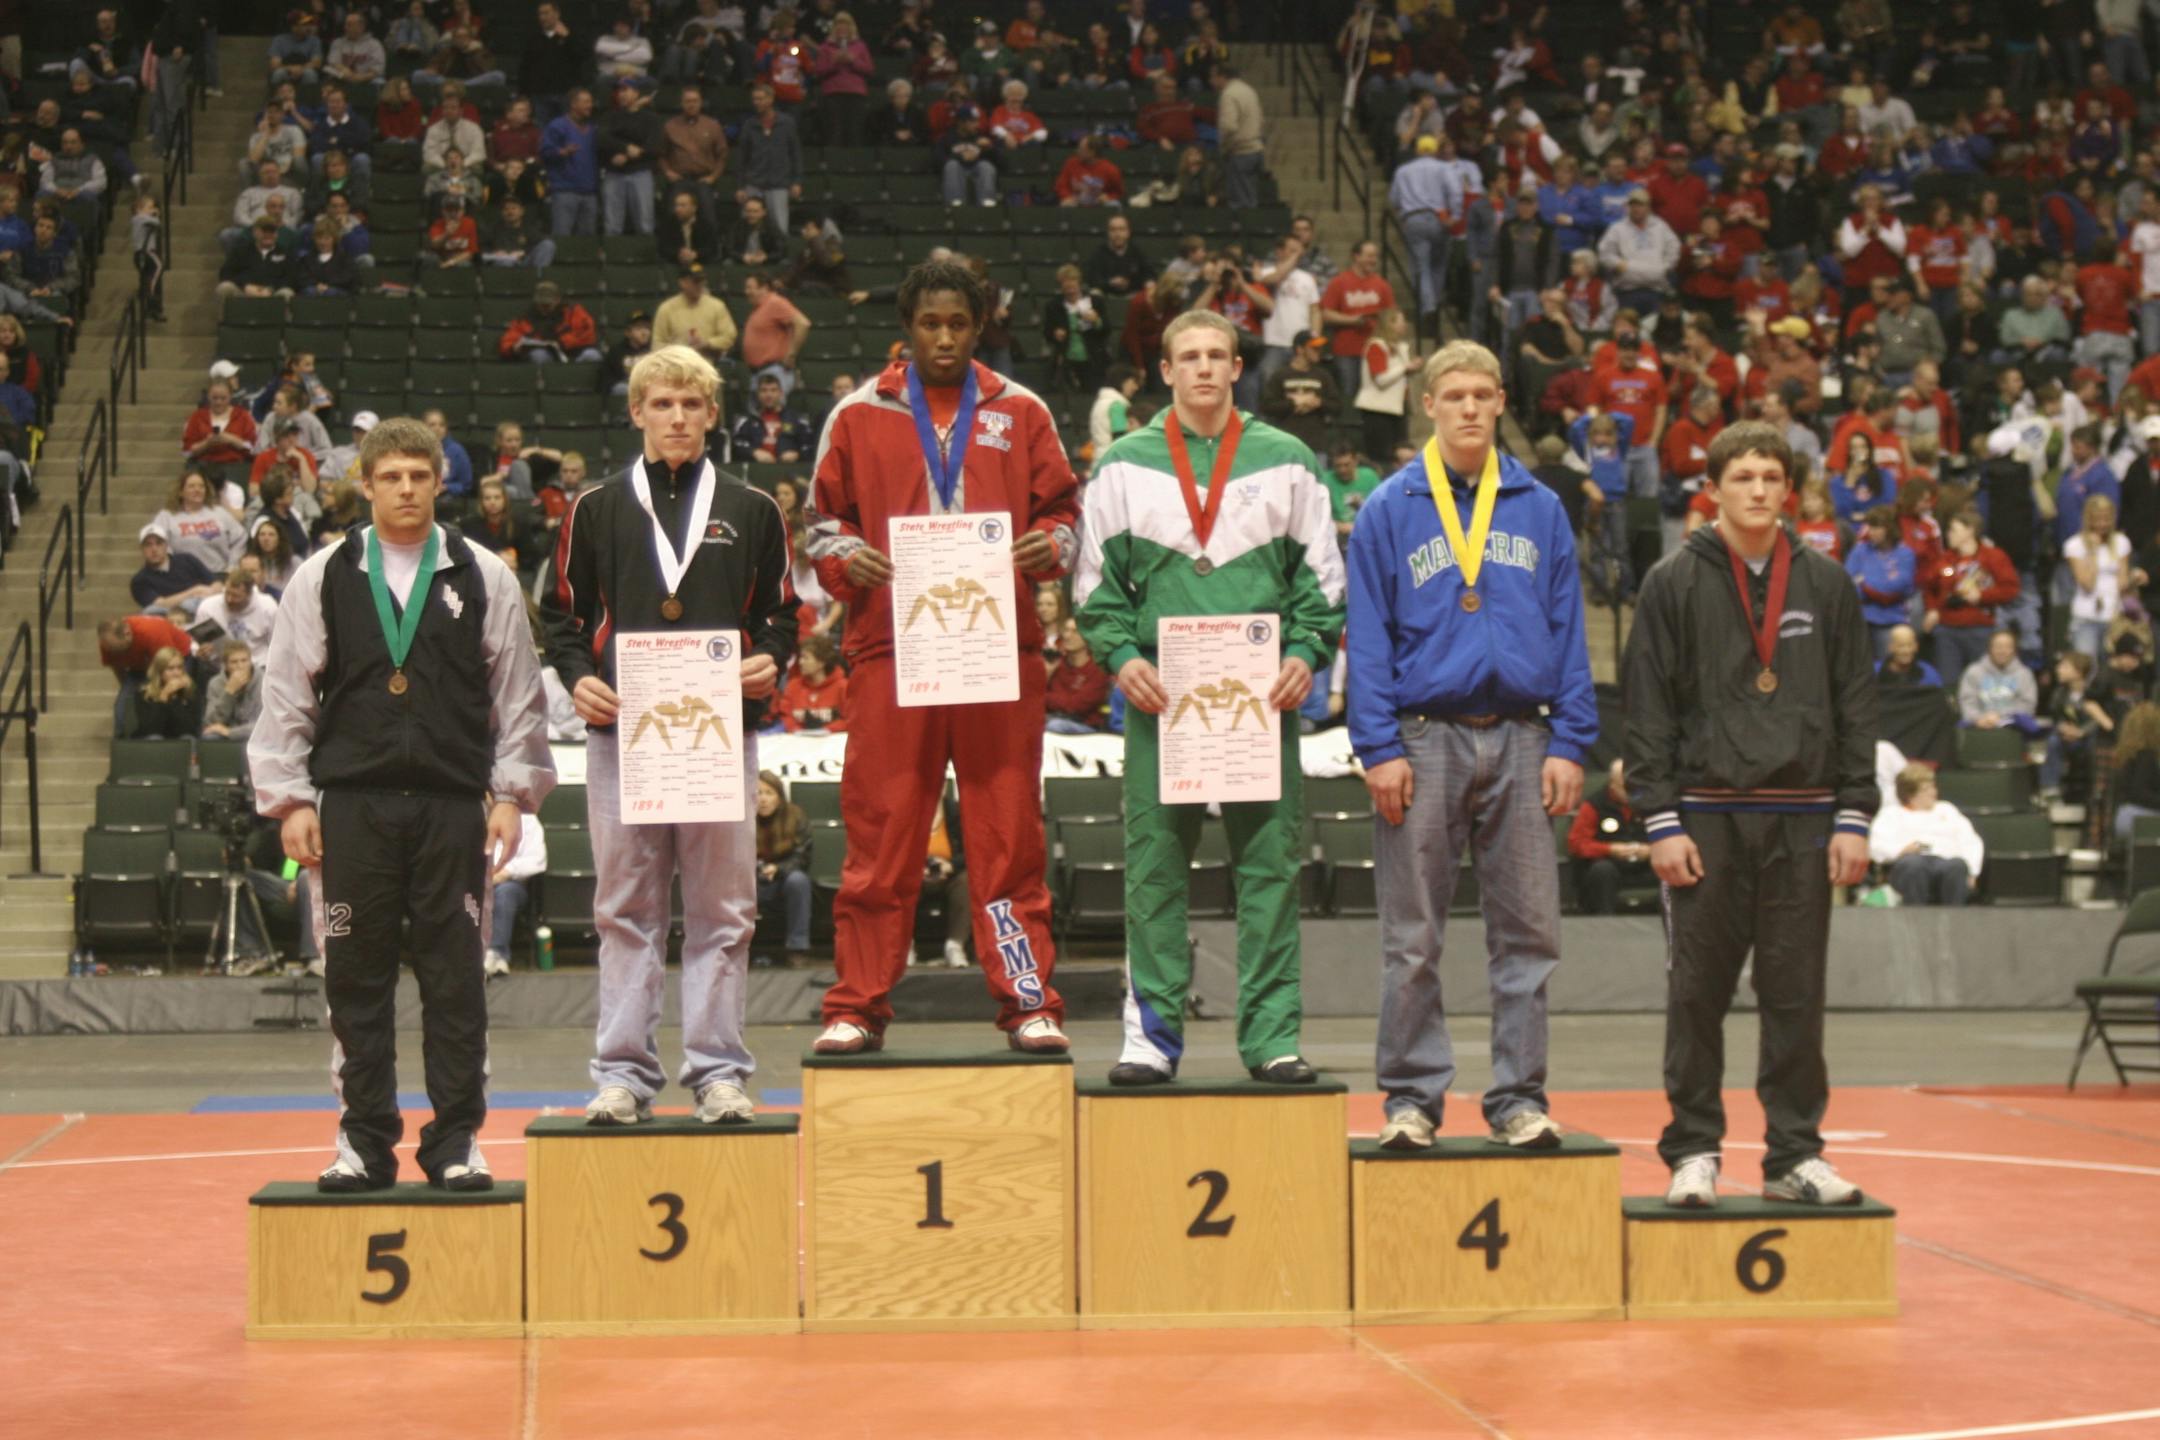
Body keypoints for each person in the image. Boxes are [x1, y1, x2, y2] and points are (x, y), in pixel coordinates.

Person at [250, 415, 554, 1192]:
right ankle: (364, 1142)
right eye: (391, 477)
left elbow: (517, 696)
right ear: (366, 483)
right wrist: (289, 800)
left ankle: (456, 1141)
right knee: (354, 977)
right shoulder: (324, 574)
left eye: (419, 475)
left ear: (439, 479)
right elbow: (286, 694)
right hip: (352, 803)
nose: (407, 488)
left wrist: (513, 793)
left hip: (454, 803)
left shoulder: (482, 572)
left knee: (455, 978)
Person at [807, 259, 1079, 1055]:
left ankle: (1028, 1000)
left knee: (1007, 834)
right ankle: (857, 1003)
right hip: (893, 645)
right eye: (931, 323)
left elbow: (1066, 511)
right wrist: (846, 556)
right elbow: (823, 522)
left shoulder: (1020, 409)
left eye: (960, 323)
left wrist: (1048, 545)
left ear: (980, 325)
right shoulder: (859, 413)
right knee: (883, 830)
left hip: (998, 649)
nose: (946, 338)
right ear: (907, 326)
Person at [1075, 310, 1347, 1084]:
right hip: (1162, 699)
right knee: (1155, 869)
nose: (1203, 368)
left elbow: (1322, 580)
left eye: (1217, 356)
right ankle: (1151, 1041)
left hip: (1261, 702)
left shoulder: (1286, 457)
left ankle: (1271, 1042)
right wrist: (1121, 657)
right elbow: (1096, 587)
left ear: (1236, 368)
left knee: (1270, 871)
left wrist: (1304, 651)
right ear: (1164, 371)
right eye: (1188, 356)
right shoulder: (1123, 464)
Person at [1344, 339, 1593, 1147]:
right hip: (1421, 739)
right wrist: (1377, 746)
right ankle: (1413, 1100)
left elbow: (1570, 629)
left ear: (1500, 404)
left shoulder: (1537, 505)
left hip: (1524, 735)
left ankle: (1519, 1098)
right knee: (1412, 937)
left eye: (1485, 395)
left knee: (1529, 935)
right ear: (1428, 404)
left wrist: (1572, 740)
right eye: (1455, 395)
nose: (1472, 408)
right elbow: (1368, 637)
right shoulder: (1390, 506)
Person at [1624, 421, 1877, 1209]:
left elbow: (1856, 704)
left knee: (1795, 992)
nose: (1759, 490)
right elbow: (1648, 710)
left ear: (1789, 491)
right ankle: (1694, 1149)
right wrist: (1659, 820)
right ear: (1714, 489)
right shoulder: (1674, 580)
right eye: (1743, 478)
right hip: (1705, 817)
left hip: (1804, 817)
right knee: (1697, 992)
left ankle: (1795, 1154)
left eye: (1771, 477)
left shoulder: (1827, 582)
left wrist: (1856, 813)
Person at [545, 347, 798, 1125]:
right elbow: (561, 614)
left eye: (691, 404)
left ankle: (719, 1069)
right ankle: (621, 1072)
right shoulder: (595, 507)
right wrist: (574, 674)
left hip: (719, 734)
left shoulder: (754, 509)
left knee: (725, 908)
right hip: (623, 731)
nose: (678, 417)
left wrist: (771, 659)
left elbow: (782, 615)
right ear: (637, 412)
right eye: (662, 404)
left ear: (713, 414)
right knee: (625, 905)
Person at [1923, 511, 2020, 691]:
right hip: (1948, 630)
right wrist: (1932, 609)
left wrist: (1982, 596)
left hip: (1981, 628)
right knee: (1949, 681)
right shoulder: (1945, 559)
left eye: (1953, 530)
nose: (1948, 534)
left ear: (1969, 531)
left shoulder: (1993, 557)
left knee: (1982, 681)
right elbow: (1929, 586)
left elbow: (2010, 589)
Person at [1868, 763, 1984, 905]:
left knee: (1957, 866)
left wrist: (1973, 872)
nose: (1933, 792)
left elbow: (1971, 841)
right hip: (1911, 861)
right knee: (1914, 866)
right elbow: (1876, 847)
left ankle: (1953, 921)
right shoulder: (1891, 814)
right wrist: (1902, 850)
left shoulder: (1947, 809)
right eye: (1925, 789)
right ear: (1910, 794)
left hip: (1946, 861)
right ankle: (1915, 921)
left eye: (1933, 787)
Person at [1568, 759, 1654, 915]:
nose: (1631, 792)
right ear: (1612, 785)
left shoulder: (1651, 801)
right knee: (1602, 870)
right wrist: (1610, 849)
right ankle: (1605, 920)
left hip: (1645, 864)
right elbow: (1577, 843)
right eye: (1625, 787)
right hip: (1611, 866)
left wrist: (1651, 851)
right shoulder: (1594, 805)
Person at [754, 771, 814, 967]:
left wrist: (778, 869)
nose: (763, 799)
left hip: (783, 879)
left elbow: (802, 855)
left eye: (769, 793)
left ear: (779, 796)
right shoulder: (741, 819)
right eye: (758, 793)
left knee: (799, 881)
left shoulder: (795, 815)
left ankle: (798, 948)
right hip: (750, 879)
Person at [484, 812, 547, 977]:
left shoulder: (528, 819)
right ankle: (471, 957)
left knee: (505, 893)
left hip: (512, 883)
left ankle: (496, 953)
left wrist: (505, 873)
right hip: (477, 881)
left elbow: (537, 860)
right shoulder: (474, 814)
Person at [652, 264, 739, 362]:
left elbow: (729, 336)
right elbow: (657, 344)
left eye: (702, 281)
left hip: (709, 364)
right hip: (677, 365)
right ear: (682, 282)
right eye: (695, 282)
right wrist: (680, 351)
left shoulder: (717, 306)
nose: (700, 285)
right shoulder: (666, 309)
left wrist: (707, 343)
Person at [194, 571, 281, 667]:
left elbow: (278, 645)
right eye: (227, 593)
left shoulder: (268, 607)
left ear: (249, 594)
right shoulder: (208, 607)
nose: (229, 599)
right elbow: (195, 644)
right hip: (220, 665)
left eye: (236, 596)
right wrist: (199, 650)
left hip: (258, 664)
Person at [131, 521, 219, 615]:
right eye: (148, 545)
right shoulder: (140, 580)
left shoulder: (187, 559)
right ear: (142, 549)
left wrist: (209, 592)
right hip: (169, 616)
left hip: (201, 608)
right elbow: (161, 604)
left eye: (159, 543)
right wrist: (194, 591)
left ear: (166, 545)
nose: (154, 549)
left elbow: (217, 584)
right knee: (152, 610)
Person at [1959, 628, 2039, 730]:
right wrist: (1980, 719)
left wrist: (2000, 716)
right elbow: (1967, 702)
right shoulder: (1974, 672)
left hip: (2013, 726)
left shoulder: (2024, 674)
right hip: (1978, 724)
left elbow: (2028, 705)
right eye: (1998, 647)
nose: (2002, 651)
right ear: (1990, 649)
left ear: (2014, 651)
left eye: (2007, 647)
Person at [730, 372, 813, 462]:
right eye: (764, 390)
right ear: (758, 394)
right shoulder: (746, 420)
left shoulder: (796, 419)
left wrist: (797, 454)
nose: (768, 395)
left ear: (780, 393)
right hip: (756, 469)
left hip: (789, 470)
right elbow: (736, 444)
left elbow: (809, 446)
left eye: (773, 390)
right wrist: (754, 452)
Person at [125, 646, 201, 740]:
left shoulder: (190, 691)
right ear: (159, 671)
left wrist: (175, 698)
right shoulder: (144, 693)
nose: (176, 673)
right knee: (155, 738)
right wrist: (163, 696)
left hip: (180, 738)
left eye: (179, 668)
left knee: (188, 738)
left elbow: (190, 729)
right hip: (152, 738)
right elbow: (150, 729)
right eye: (170, 668)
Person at [777, 632, 848, 731]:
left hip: (832, 741)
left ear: (821, 662)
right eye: (800, 657)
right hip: (798, 740)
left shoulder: (843, 687)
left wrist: (825, 730)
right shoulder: (793, 686)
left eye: (806, 658)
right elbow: (785, 716)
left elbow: (850, 720)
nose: (800, 662)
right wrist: (796, 729)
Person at [200, 640, 263, 741]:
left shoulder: (263, 681)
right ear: (226, 665)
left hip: (254, 733)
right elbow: (211, 722)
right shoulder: (215, 683)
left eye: (244, 660)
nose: (240, 666)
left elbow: (265, 725)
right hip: (226, 732)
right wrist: (229, 692)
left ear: (250, 661)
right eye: (234, 662)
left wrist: (231, 733)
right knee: (210, 736)